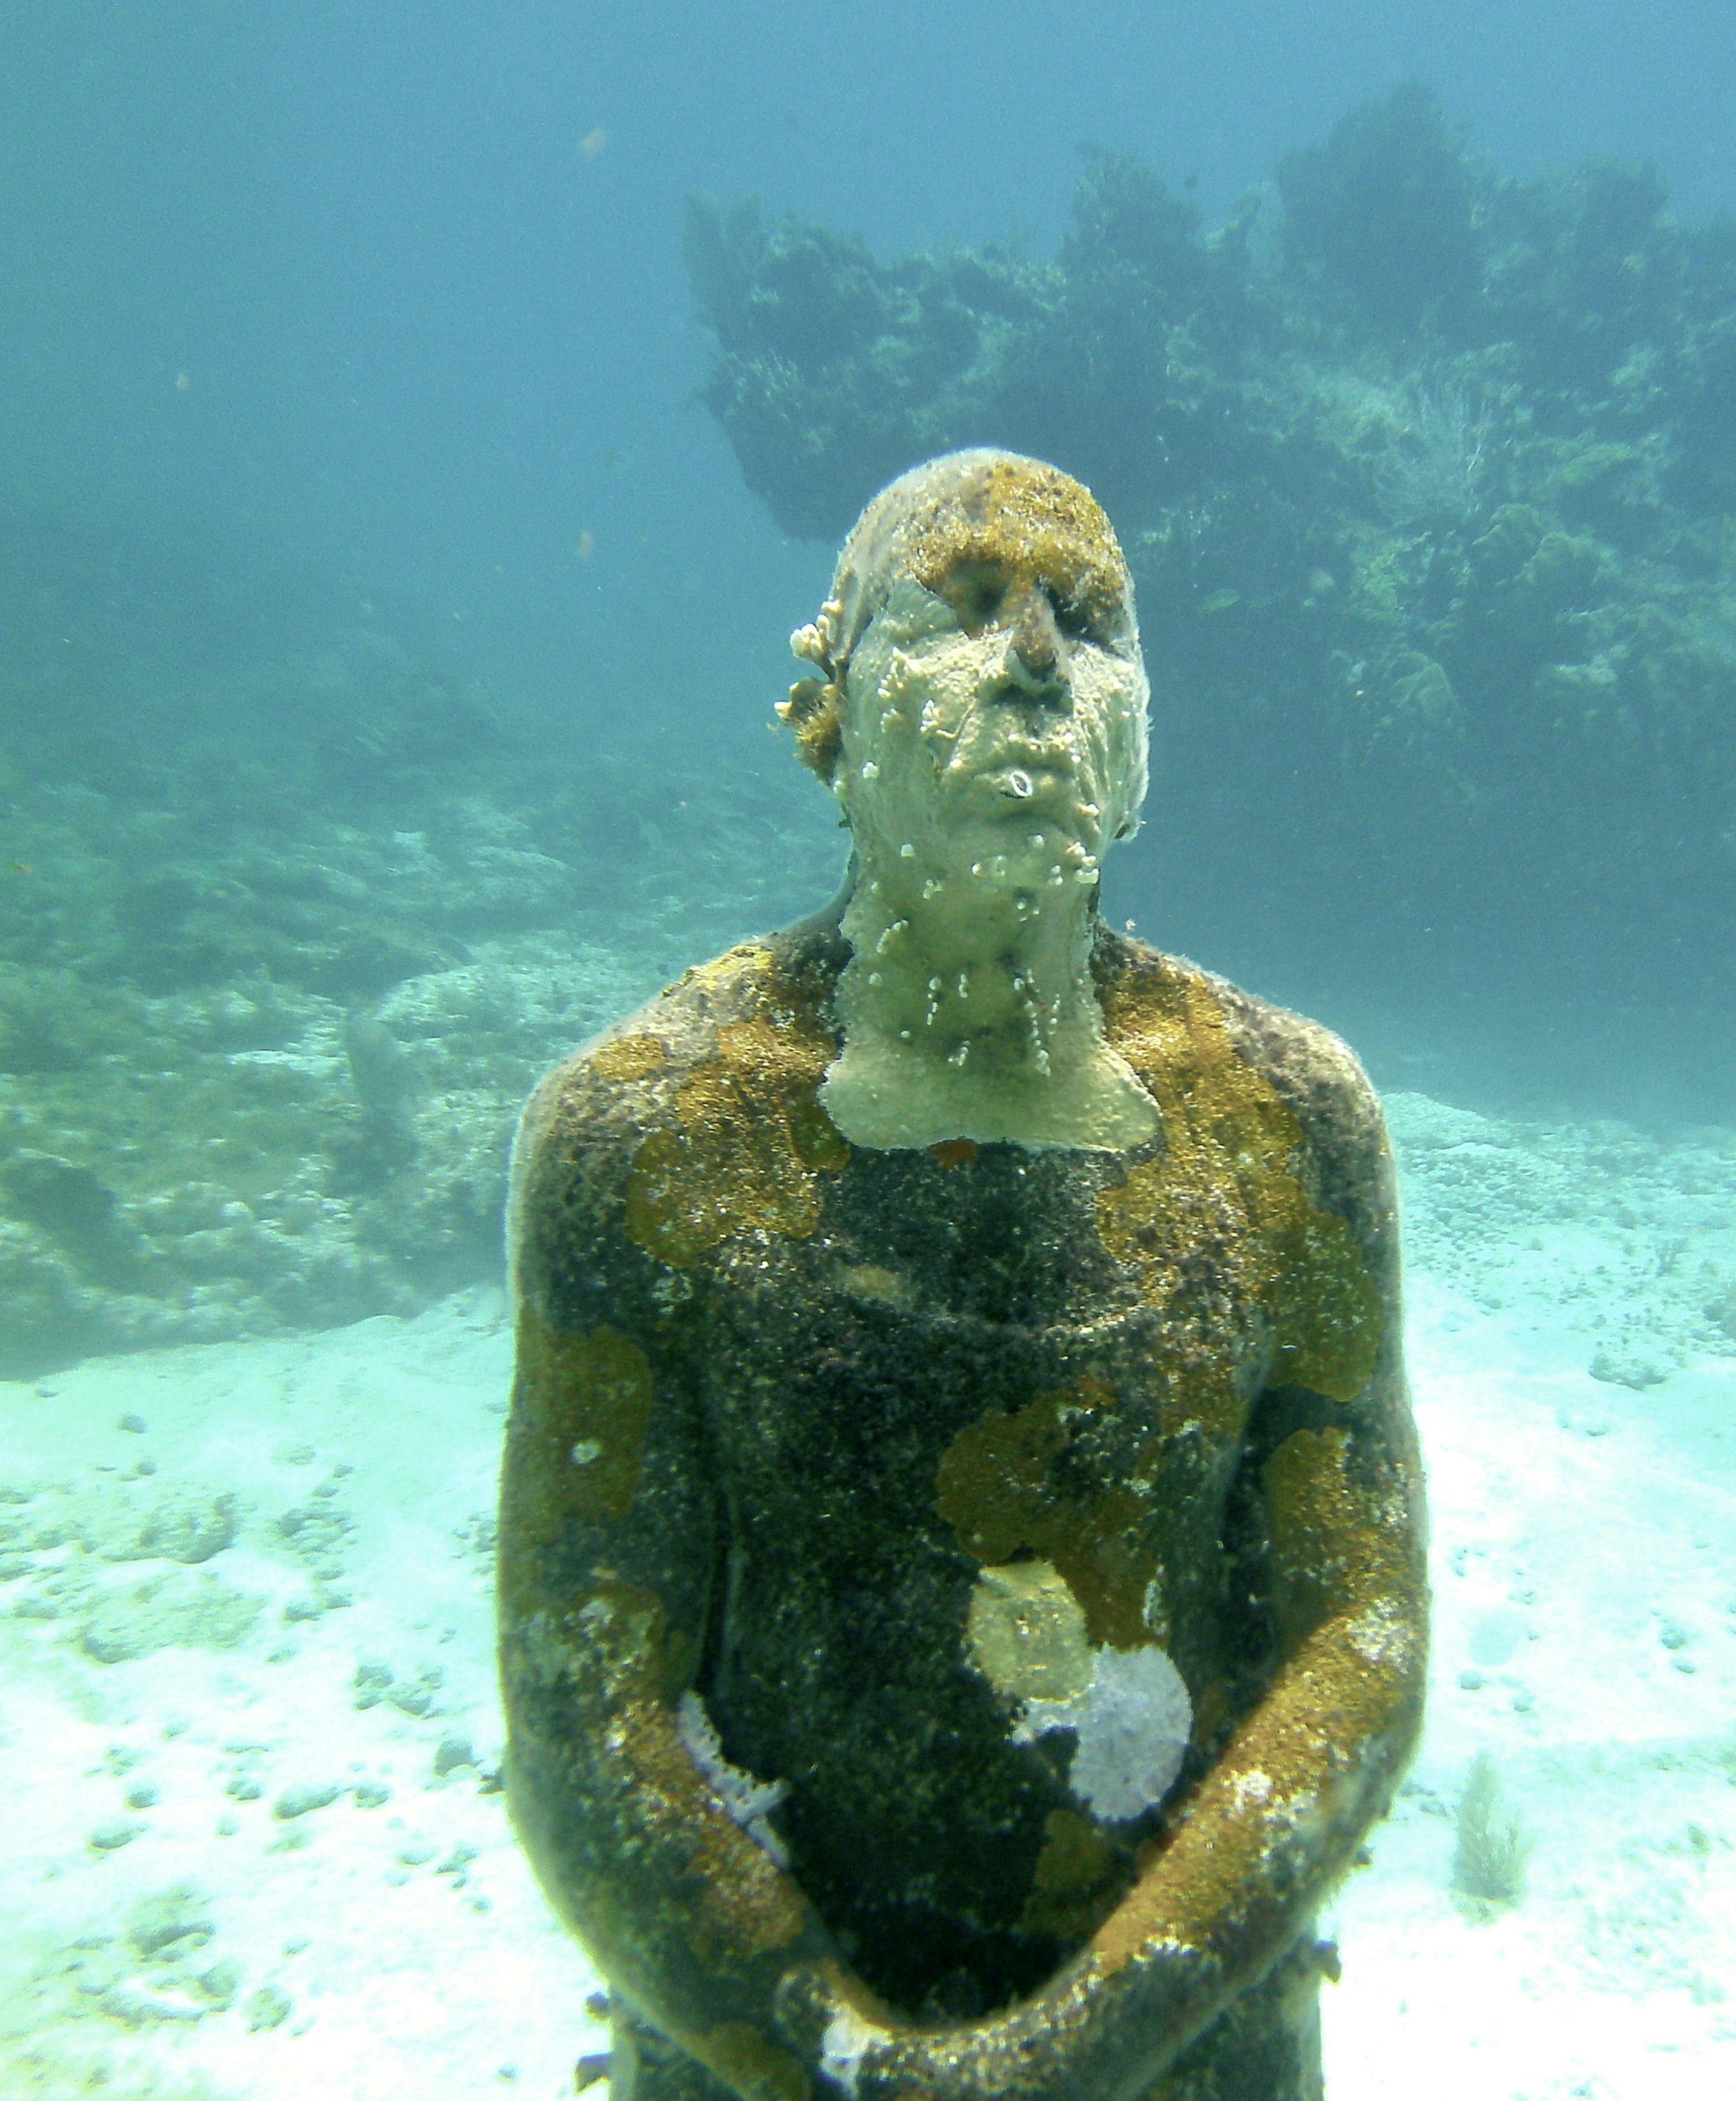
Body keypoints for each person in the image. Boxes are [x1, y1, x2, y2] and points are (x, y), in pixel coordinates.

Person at [500, 451, 1428, 2100]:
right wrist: (840, 2062)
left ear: (1145, 737)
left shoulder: (1294, 1122)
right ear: (829, 708)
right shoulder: (639, 1134)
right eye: (963, 606)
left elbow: (1356, 1640)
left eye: (1092, 620)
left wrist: (1071, 2053)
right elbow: (586, 1706)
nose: (1037, 660)